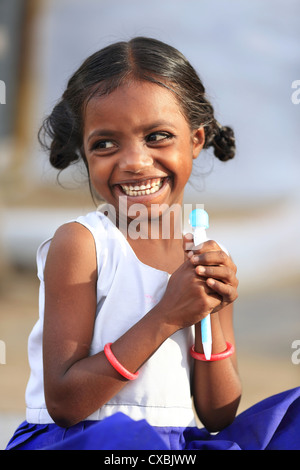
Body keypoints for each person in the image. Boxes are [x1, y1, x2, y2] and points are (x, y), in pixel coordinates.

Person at [6, 37, 300, 450]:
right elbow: (66, 403)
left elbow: (218, 413)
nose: (134, 161)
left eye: (157, 136)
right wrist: (167, 314)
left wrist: (211, 310)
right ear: (84, 154)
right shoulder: (83, 244)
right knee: (128, 441)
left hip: (171, 447)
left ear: (196, 140)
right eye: (105, 143)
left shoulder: (204, 253)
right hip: (89, 440)